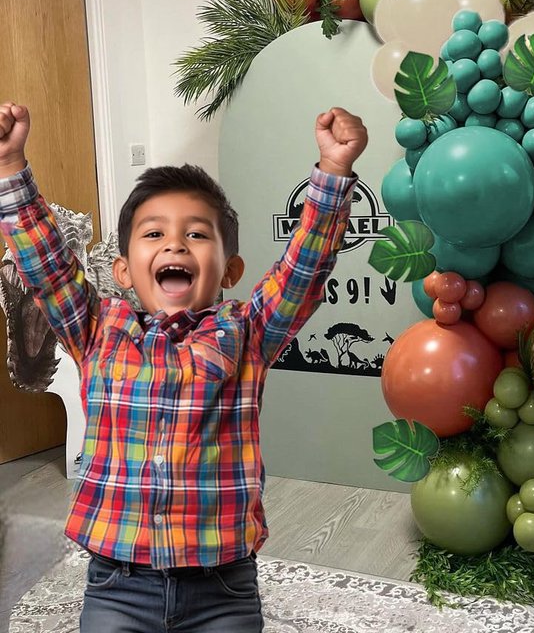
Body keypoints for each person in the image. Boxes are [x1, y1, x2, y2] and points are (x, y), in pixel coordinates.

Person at [0, 102, 367, 632]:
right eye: (154, 234)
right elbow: (49, 270)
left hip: (222, 588)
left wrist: (333, 172)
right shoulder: (97, 329)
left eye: (197, 234)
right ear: (123, 271)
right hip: (118, 585)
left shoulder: (248, 333)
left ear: (230, 271)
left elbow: (303, 271)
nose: (174, 242)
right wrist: (10, 166)